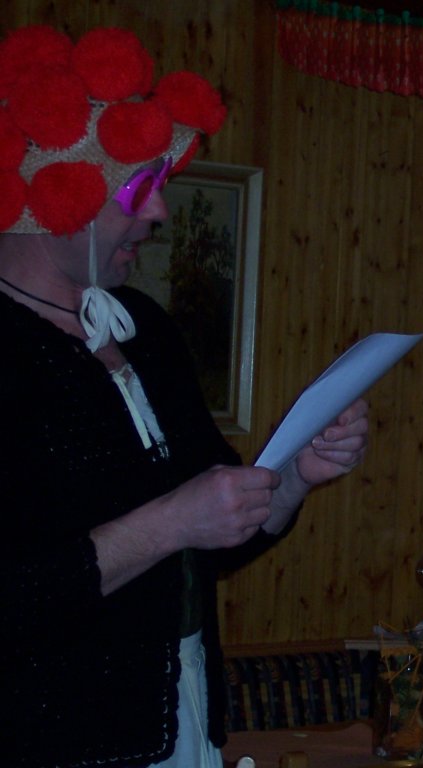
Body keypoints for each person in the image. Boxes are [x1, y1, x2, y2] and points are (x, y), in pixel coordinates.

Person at [0, 25, 369, 768]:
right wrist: (169, 522)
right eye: (138, 191)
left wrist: (293, 475)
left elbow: (210, 542)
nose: (161, 214)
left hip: (181, 710)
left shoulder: (145, 330)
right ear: (55, 199)